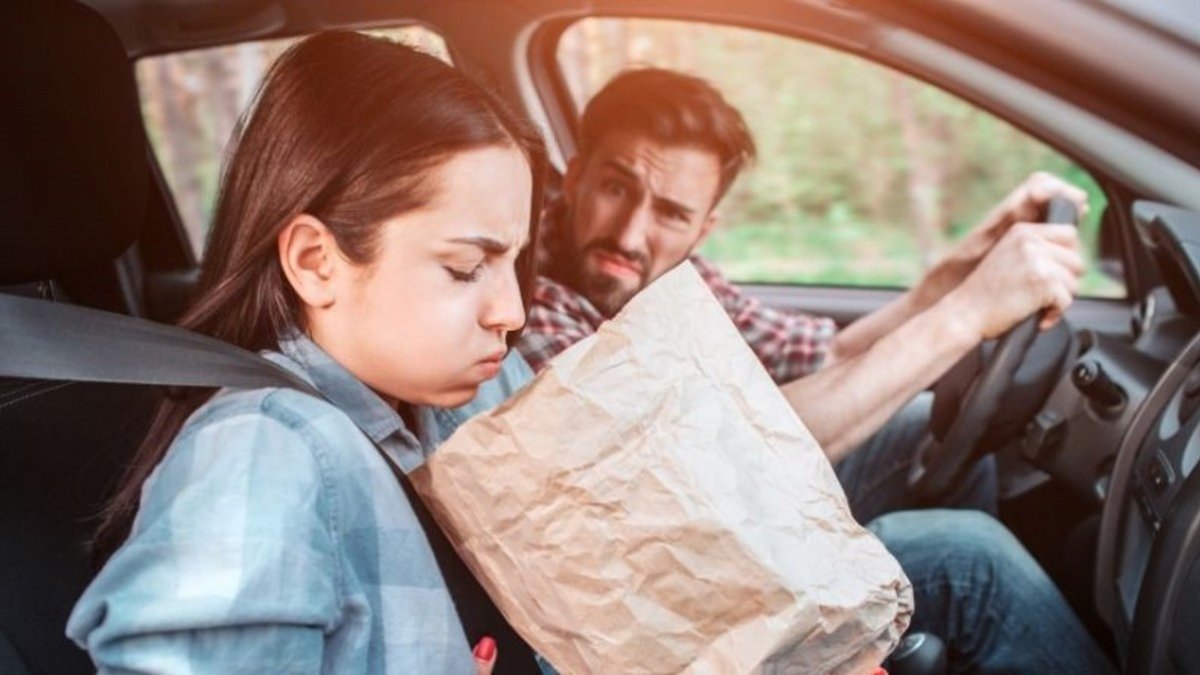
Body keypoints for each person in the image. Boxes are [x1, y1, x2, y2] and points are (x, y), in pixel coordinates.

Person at [67, 32, 544, 673]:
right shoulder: (263, 452)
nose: (511, 313)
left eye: (514, 261)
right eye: (465, 268)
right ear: (317, 262)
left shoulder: (482, 389)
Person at [517, 68, 1088, 524]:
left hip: (716, 517)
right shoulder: (526, 300)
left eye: (670, 213)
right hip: (658, 569)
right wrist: (969, 315)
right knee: (973, 569)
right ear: (574, 177)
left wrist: (969, 264)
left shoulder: (675, 279)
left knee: (924, 423)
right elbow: (726, 460)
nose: (630, 234)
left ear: (703, 229)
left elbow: (831, 356)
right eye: (617, 188)